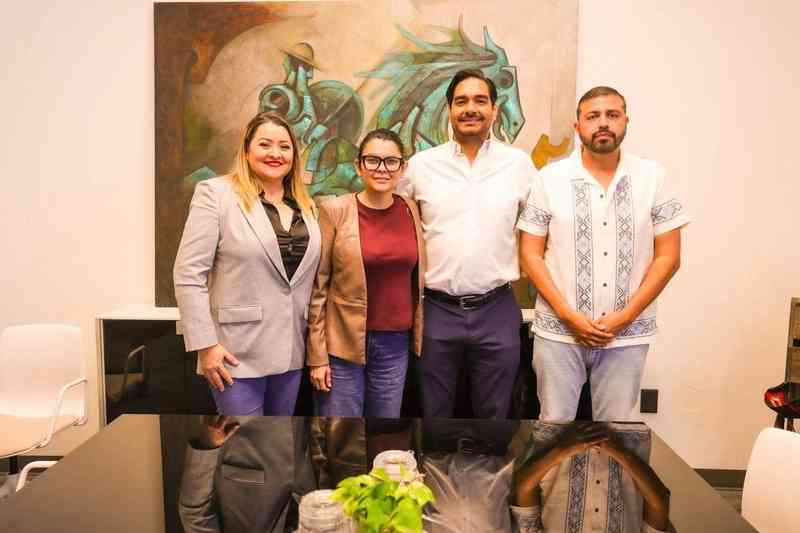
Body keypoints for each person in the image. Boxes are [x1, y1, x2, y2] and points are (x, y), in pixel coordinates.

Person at [518, 86, 690, 421]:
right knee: (554, 426)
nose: (603, 123)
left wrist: (624, 317)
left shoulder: (652, 177)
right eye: (593, 116)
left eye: (612, 115)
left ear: (626, 121)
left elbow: (669, 256)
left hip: (626, 335)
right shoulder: (550, 179)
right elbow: (530, 254)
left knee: (616, 431)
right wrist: (569, 316)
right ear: (577, 125)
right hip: (559, 332)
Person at [398, 69, 536, 419]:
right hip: (436, 309)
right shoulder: (421, 166)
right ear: (449, 110)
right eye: (461, 101)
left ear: (494, 109)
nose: (470, 108)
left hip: (497, 308)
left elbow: (544, 227)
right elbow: (392, 217)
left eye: (480, 100)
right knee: (433, 414)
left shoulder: (518, 164)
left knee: (497, 415)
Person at [174, 112, 321, 416]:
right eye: (265, 144)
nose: (275, 153)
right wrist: (205, 346)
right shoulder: (216, 194)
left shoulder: (306, 205)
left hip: (291, 351)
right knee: (243, 443)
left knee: (278, 441)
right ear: (246, 150)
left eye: (285, 146)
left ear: (294, 155)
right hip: (233, 355)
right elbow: (189, 274)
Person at [307, 129, 426, 418]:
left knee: (383, 430)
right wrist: (318, 356)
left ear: (402, 168)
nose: (382, 168)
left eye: (391, 161)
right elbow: (318, 287)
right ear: (359, 166)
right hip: (343, 344)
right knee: (342, 432)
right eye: (372, 160)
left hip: (395, 345)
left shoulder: (410, 209)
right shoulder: (335, 210)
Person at [511, 422, 670, 533]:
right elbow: (660, 502)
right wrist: (619, 451)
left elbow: (522, 487)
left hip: (560, 427)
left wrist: (563, 449)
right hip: (627, 430)